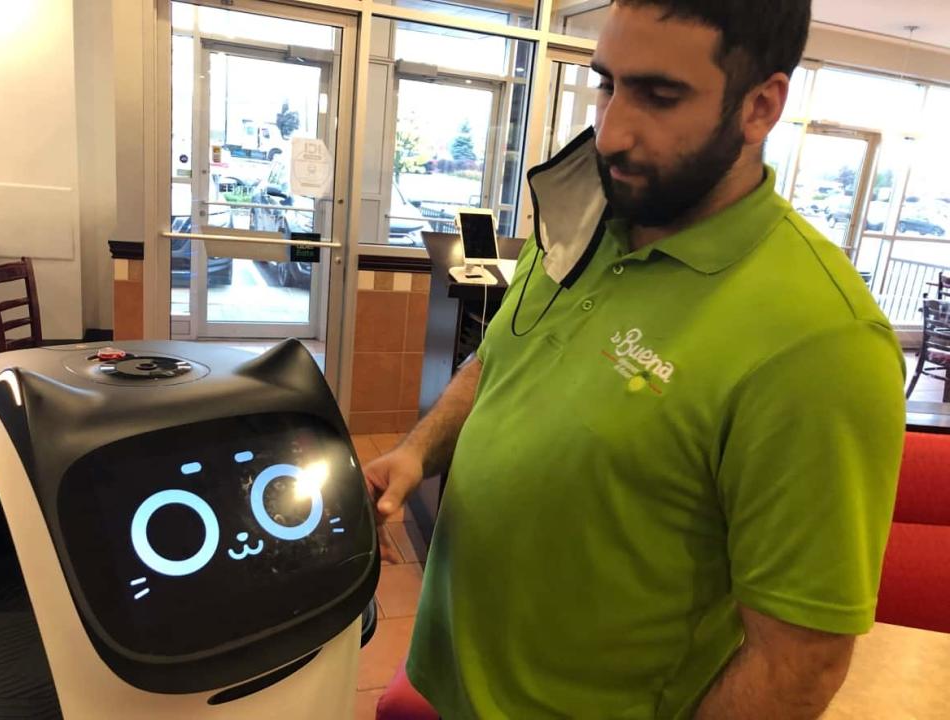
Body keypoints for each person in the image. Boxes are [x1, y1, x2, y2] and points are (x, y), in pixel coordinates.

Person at [364, 1, 907, 717]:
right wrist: (418, 452)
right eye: (607, 84)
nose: (611, 133)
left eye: (659, 95)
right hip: (445, 679)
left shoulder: (822, 342)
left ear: (761, 106)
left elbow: (799, 662)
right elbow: (500, 360)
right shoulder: (586, 215)